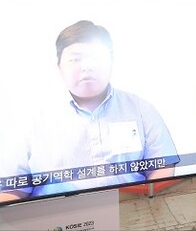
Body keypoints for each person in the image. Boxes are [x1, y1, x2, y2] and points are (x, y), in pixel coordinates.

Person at [0, 20, 179, 203]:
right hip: (55, 216)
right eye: (75, 59)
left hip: (131, 211)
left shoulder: (141, 109)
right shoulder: (32, 121)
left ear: (111, 61)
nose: (87, 66)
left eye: (96, 57)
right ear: (59, 67)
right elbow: (12, 189)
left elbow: (162, 167)